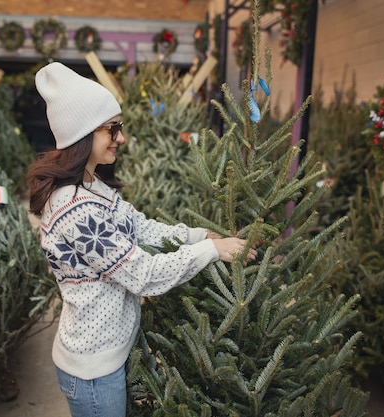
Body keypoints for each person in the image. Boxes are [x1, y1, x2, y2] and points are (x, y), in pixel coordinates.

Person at [26, 62, 256, 417]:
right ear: (83, 133)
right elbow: (142, 275)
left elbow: (141, 227)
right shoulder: (75, 209)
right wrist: (211, 250)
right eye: (112, 129)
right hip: (92, 371)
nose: (122, 138)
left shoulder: (93, 187)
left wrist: (197, 234)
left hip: (109, 355)